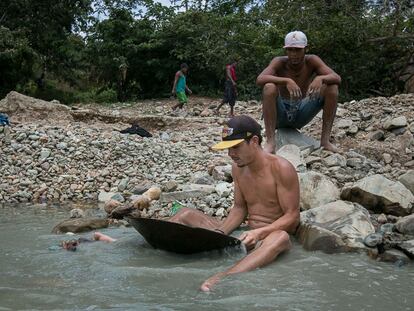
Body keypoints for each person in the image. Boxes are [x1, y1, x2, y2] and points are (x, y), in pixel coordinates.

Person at [169, 115, 300, 291]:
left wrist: (259, 233)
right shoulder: (238, 168)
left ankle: (225, 276)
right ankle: (149, 248)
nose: (231, 154)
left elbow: (292, 217)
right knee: (185, 214)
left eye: (236, 147)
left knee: (281, 238)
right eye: (228, 149)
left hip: (271, 236)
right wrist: (220, 234)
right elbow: (239, 208)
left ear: (254, 141)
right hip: (246, 235)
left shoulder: (281, 168)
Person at [256, 30, 341, 154]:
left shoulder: (312, 60)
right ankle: (270, 142)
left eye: (297, 50)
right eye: (290, 50)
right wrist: (286, 81)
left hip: (301, 111)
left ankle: (325, 141)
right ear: (286, 50)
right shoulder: (279, 61)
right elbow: (260, 79)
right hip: (280, 115)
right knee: (269, 87)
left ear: (306, 49)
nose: (294, 54)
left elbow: (337, 78)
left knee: (332, 87)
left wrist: (320, 78)